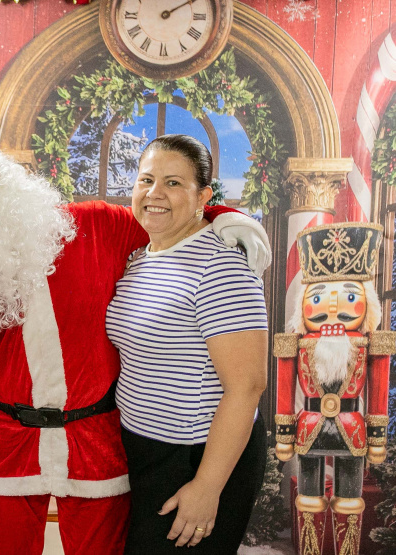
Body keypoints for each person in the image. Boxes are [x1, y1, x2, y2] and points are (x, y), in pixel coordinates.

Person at [0, 142, 272, 555]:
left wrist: (225, 218)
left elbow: (166, 221)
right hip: (7, 440)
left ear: (6, 176)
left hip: (95, 438)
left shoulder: (97, 225)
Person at [105, 135, 268, 553]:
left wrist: (207, 487)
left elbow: (247, 385)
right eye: (146, 180)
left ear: (203, 196)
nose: (155, 193)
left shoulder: (221, 263)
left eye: (174, 183)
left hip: (195, 456)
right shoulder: (141, 257)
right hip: (140, 451)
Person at [275, 222, 391, 555]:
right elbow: (284, 388)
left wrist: (378, 437)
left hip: (352, 428)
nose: (332, 305)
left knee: (349, 502)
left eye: (349, 296)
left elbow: (379, 390)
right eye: (320, 296)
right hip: (309, 426)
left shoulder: (371, 344)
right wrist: (284, 435)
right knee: (308, 499)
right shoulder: (295, 343)